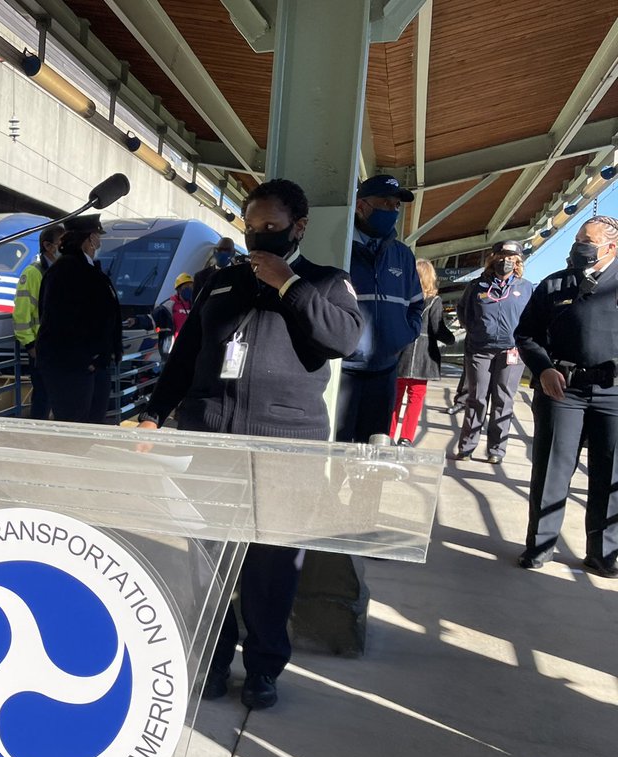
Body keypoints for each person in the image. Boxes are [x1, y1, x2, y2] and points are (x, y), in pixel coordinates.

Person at [137, 178, 363, 710]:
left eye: (272, 227)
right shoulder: (220, 282)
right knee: (208, 562)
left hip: (287, 452)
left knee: (271, 570)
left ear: (299, 227)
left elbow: (343, 339)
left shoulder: (329, 283)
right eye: (251, 226)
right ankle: (212, 662)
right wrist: (152, 415)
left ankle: (263, 668)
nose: (259, 237)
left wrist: (289, 285)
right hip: (212, 442)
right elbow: (185, 357)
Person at [515, 215, 618, 576]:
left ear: (611, 246)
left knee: (610, 473)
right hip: (563, 389)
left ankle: (603, 553)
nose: (579, 248)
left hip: (613, 392)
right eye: (577, 240)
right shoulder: (554, 284)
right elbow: (525, 334)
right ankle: (541, 546)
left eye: (586, 242)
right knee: (552, 470)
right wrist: (542, 368)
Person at [338, 174, 424, 443]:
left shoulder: (402, 254)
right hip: (342, 373)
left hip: (385, 372)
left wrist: (401, 337)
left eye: (396, 206)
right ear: (362, 206)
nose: (392, 211)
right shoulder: (339, 247)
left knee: (375, 451)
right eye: (385, 203)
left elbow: (416, 304)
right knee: (335, 450)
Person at [452, 240, 532, 464]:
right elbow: (464, 312)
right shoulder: (477, 286)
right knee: (476, 398)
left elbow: (532, 318)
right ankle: (467, 447)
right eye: (502, 255)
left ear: (518, 261)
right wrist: (477, 331)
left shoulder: (525, 288)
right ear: (493, 258)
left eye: (511, 257)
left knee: (503, 399)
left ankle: (496, 450)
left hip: (511, 352)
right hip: (480, 350)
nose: (506, 260)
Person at [36, 214, 122, 424]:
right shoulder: (67, 270)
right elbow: (61, 321)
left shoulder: (86, 269)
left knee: (91, 424)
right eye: (96, 236)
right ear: (89, 238)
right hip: (73, 367)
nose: (99, 241)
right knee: (75, 428)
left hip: (90, 364)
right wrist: (88, 360)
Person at [391, 258, 455, 446]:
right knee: (415, 399)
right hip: (424, 358)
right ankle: (406, 438)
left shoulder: (402, 298)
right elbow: (437, 328)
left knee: (395, 398)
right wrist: (450, 339)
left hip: (401, 354)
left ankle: (388, 434)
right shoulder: (435, 301)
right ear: (430, 278)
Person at [12, 223, 64, 419]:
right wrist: (31, 345)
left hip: (59, 347)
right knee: (43, 398)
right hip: (41, 348)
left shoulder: (60, 270)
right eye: (61, 243)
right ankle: (36, 438)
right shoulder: (33, 273)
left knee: (58, 398)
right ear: (48, 246)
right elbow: (22, 315)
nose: (65, 247)